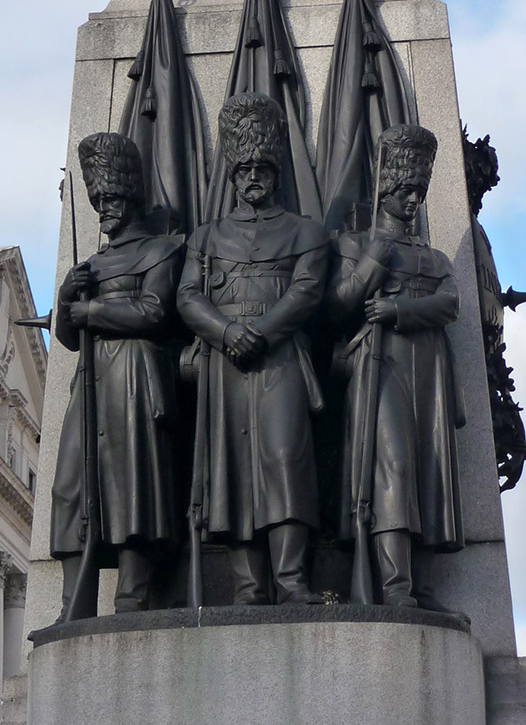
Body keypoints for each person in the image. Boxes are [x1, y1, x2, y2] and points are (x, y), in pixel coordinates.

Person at [176, 93, 329, 604]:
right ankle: (248, 587)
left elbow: (308, 291)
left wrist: (259, 332)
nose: (253, 176)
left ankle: (291, 580)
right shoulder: (207, 236)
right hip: (223, 365)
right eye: (244, 169)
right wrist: (224, 332)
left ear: (277, 170)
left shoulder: (306, 233)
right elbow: (188, 296)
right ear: (233, 174)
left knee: (285, 459)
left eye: (263, 167)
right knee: (233, 468)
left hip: (281, 358)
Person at [328, 124, 466, 613]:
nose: (413, 201)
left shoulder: (435, 257)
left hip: (427, 367)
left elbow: (450, 302)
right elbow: (339, 305)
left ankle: (422, 588)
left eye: (419, 193)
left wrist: (400, 312)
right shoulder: (353, 246)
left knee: (429, 472)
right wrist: (375, 261)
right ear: (385, 188)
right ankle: (395, 585)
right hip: (377, 366)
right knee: (394, 467)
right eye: (405, 190)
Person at [51, 131, 183, 616]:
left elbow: (153, 313)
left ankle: (133, 596)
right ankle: (74, 602)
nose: (103, 208)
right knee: (70, 488)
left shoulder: (161, 252)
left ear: (130, 196)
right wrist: (67, 297)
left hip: (133, 375)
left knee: (133, 487)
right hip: (89, 380)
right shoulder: (90, 265)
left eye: (110, 198)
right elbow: (66, 337)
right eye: (96, 200)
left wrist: (91, 311)